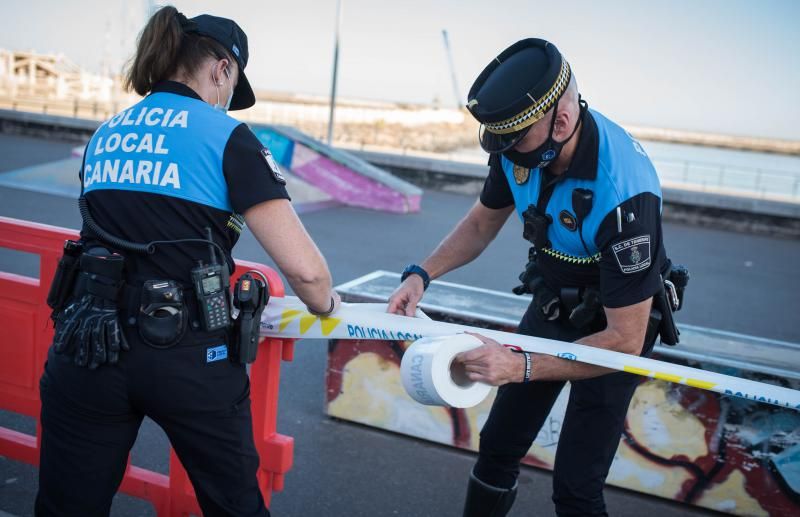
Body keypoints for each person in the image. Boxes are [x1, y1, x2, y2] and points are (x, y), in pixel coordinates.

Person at [36, 6, 339, 516]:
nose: (227, 101)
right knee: (233, 504)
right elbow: (307, 272)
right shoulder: (226, 137)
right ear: (221, 69)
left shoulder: (108, 131)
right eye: (231, 84)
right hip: (188, 353)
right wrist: (328, 304)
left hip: (87, 341)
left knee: (68, 505)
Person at [388, 38, 679, 516]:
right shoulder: (520, 144)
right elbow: (483, 221)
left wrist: (520, 366)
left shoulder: (625, 194)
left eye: (516, 143)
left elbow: (625, 340)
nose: (508, 156)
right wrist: (423, 274)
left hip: (615, 327)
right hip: (554, 305)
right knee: (498, 444)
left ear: (560, 122)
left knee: (576, 486)